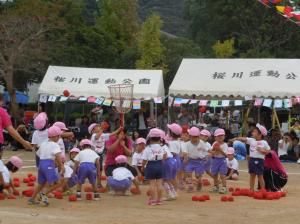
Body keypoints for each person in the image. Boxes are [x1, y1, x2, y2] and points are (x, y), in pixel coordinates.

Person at [28, 126, 64, 206]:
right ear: (54, 136)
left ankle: (32, 199)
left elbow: (38, 154)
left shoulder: (43, 144)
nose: (59, 137)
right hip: (49, 164)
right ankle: (44, 194)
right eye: (59, 135)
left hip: (41, 164)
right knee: (58, 182)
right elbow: (58, 156)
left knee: (41, 183)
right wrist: (61, 166)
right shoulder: (55, 145)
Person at [234, 124, 270, 191]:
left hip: (260, 161)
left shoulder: (264, 142)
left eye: (254, 131)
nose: (252, 133)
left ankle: (263, 190)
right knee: (252, 175)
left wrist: (263, 151)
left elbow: (268, 151)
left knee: (260, 176)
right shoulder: (252, 140)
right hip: (252, 160)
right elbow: (244, 139)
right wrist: (236, 138)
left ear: (260, 134)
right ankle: (251, 189)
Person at [0, 93, 32, 158]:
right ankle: (15, 145)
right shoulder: (2, 111)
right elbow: (11, 130)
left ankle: (14, 145)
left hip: (18, 124)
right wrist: (24, 143)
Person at [88, 123, 121, 187]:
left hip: (100, 154)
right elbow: (97, 136)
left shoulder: (102, 135)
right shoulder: (93, 135)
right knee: (95, 169)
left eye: (98, 126)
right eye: (97, 127)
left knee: (100, 169)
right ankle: (94, 183)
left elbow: (111, 134)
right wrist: (102, 129)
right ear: (93, 131)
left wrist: (119, 129)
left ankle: (98, 183)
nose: (99, 127)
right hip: (94, 154)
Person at [142, 128, 167, 206]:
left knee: (152, 184)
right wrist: (162, 160)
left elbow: (145, 159)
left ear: (150, 138)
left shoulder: (147, 148)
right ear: (160, 138)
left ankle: (153, 200)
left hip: (151, 165)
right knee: (160, 184)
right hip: (160, 165)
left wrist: (143, 166)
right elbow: (165, 156)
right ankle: (159, 200)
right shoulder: (161, 147)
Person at [183, 127, 208, 193]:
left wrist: (206, 156)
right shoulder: (187, 144)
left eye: (196, 137)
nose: (194, 138)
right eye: (193, 137)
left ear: (199, 136)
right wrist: (185, 158)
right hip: (190, 161)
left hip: (199, 161)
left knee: (198, 176)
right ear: (190, 136)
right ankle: (191, 186)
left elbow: (206, 151)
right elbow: (185, 152)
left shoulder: (202, 143)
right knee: (188, 173)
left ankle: (199, 183)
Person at [210, 128, 228, 194]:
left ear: (224, 136)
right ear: (215, 137)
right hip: (215, 160)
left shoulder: (225, 145)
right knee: (214, 174)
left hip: (222, 161)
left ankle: (224, 187)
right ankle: (216, 186)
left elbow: (225, 155)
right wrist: (214, 150)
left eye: (221, 135)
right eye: (218, 136)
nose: (220, 137)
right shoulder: (214, 143)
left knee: (222, 174)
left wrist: (220, 149)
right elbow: (211, 151)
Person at [167, 123, 183, 189]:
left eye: (169, 130)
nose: (168, 131)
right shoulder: (179, 141)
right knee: (173, 175)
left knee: (171, 176)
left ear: (172, 133)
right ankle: (175, 188)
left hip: (173, 159)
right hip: (177, 159)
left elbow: (173, 153)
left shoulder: (171, 143)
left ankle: (174, 188)